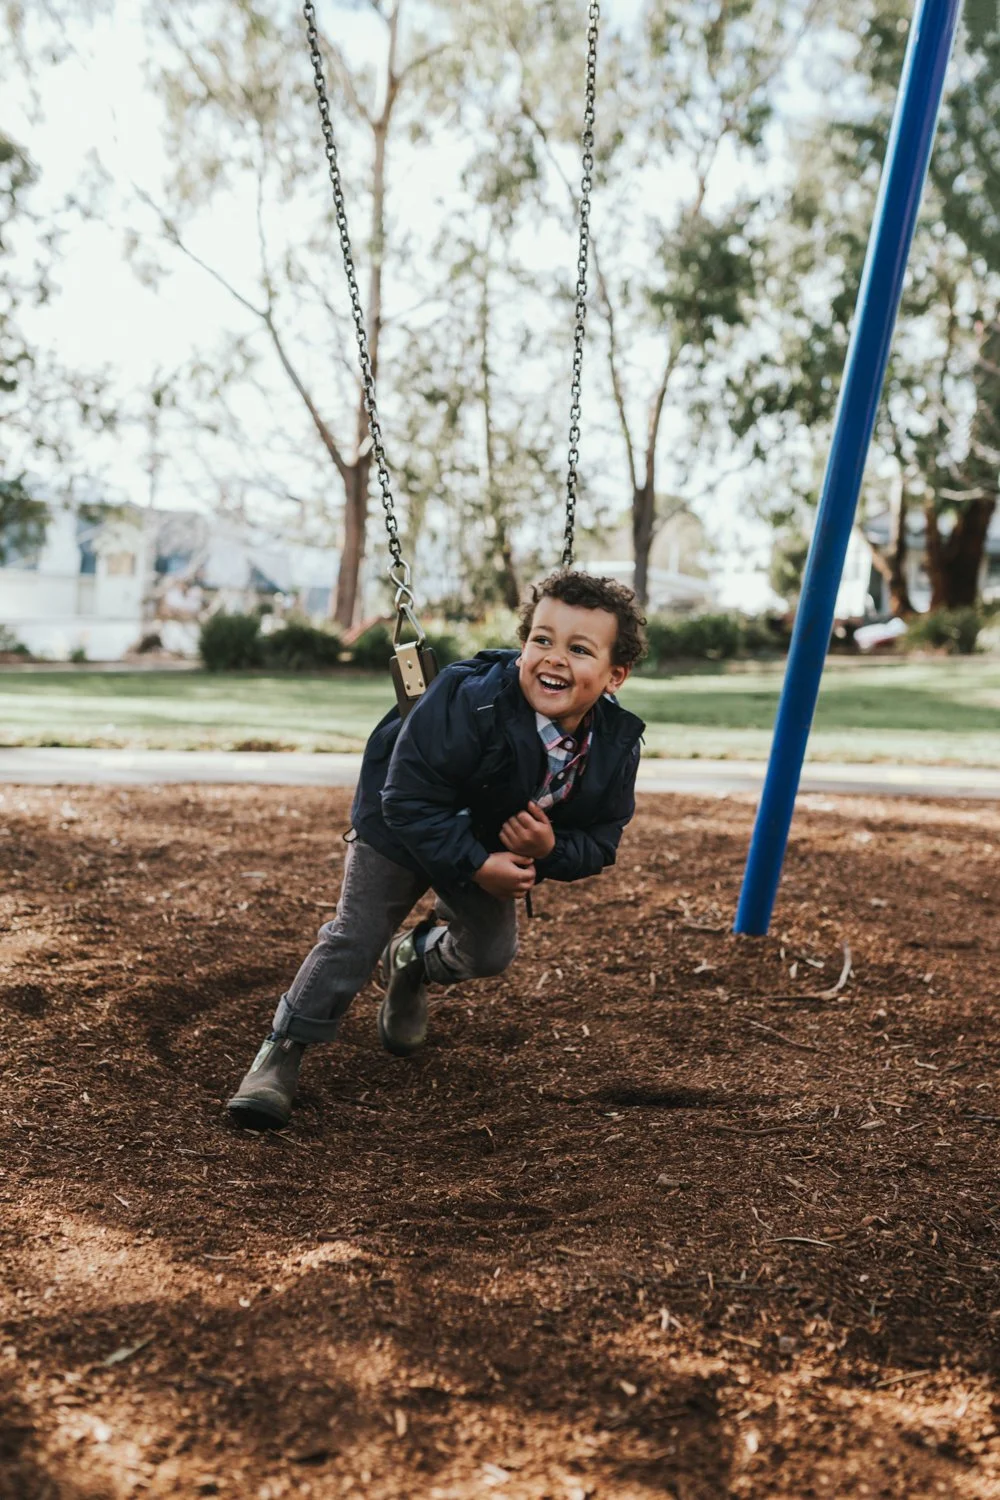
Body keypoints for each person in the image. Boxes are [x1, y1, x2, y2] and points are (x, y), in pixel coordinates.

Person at [227, 570, 647, 1130]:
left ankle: (412, 960)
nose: (553, 659)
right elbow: (404, 798)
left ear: (615, 674)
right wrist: (478, 865)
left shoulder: (614, 744)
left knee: (492, 952)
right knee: (354, 936)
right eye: (541, 640)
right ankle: (280, 1052)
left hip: (482, 843)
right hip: (398, 826)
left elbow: (602, 837)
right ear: (522, 645)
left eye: (578, 648)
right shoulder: (466, 699)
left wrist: (548, 849)